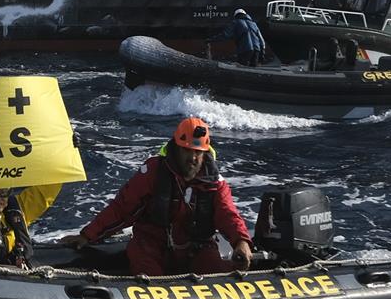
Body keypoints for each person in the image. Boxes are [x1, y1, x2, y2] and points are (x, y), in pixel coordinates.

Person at [59, 117, 253, 276]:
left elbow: (228, 214)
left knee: (217, 274)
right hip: (152, 244)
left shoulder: (215, 183)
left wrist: (241, 241)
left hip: (197, 247)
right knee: (147, 273)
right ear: (176, 148)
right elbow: (122, 208)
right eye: (187, 150)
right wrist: (87, 235)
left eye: (198, 152)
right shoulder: (154, 172)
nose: (192, 158)